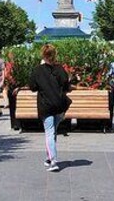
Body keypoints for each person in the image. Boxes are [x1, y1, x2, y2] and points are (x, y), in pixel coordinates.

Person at [28, 44, 70, 172]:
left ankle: (53, 161)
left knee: (49, 133)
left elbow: (32, 87)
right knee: (53, 132)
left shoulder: (37, 70)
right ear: (54, 54)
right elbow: (66, 85)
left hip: (46, 105)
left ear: (43, 55)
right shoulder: (60, 69)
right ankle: (49, 157)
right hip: (60, 105)